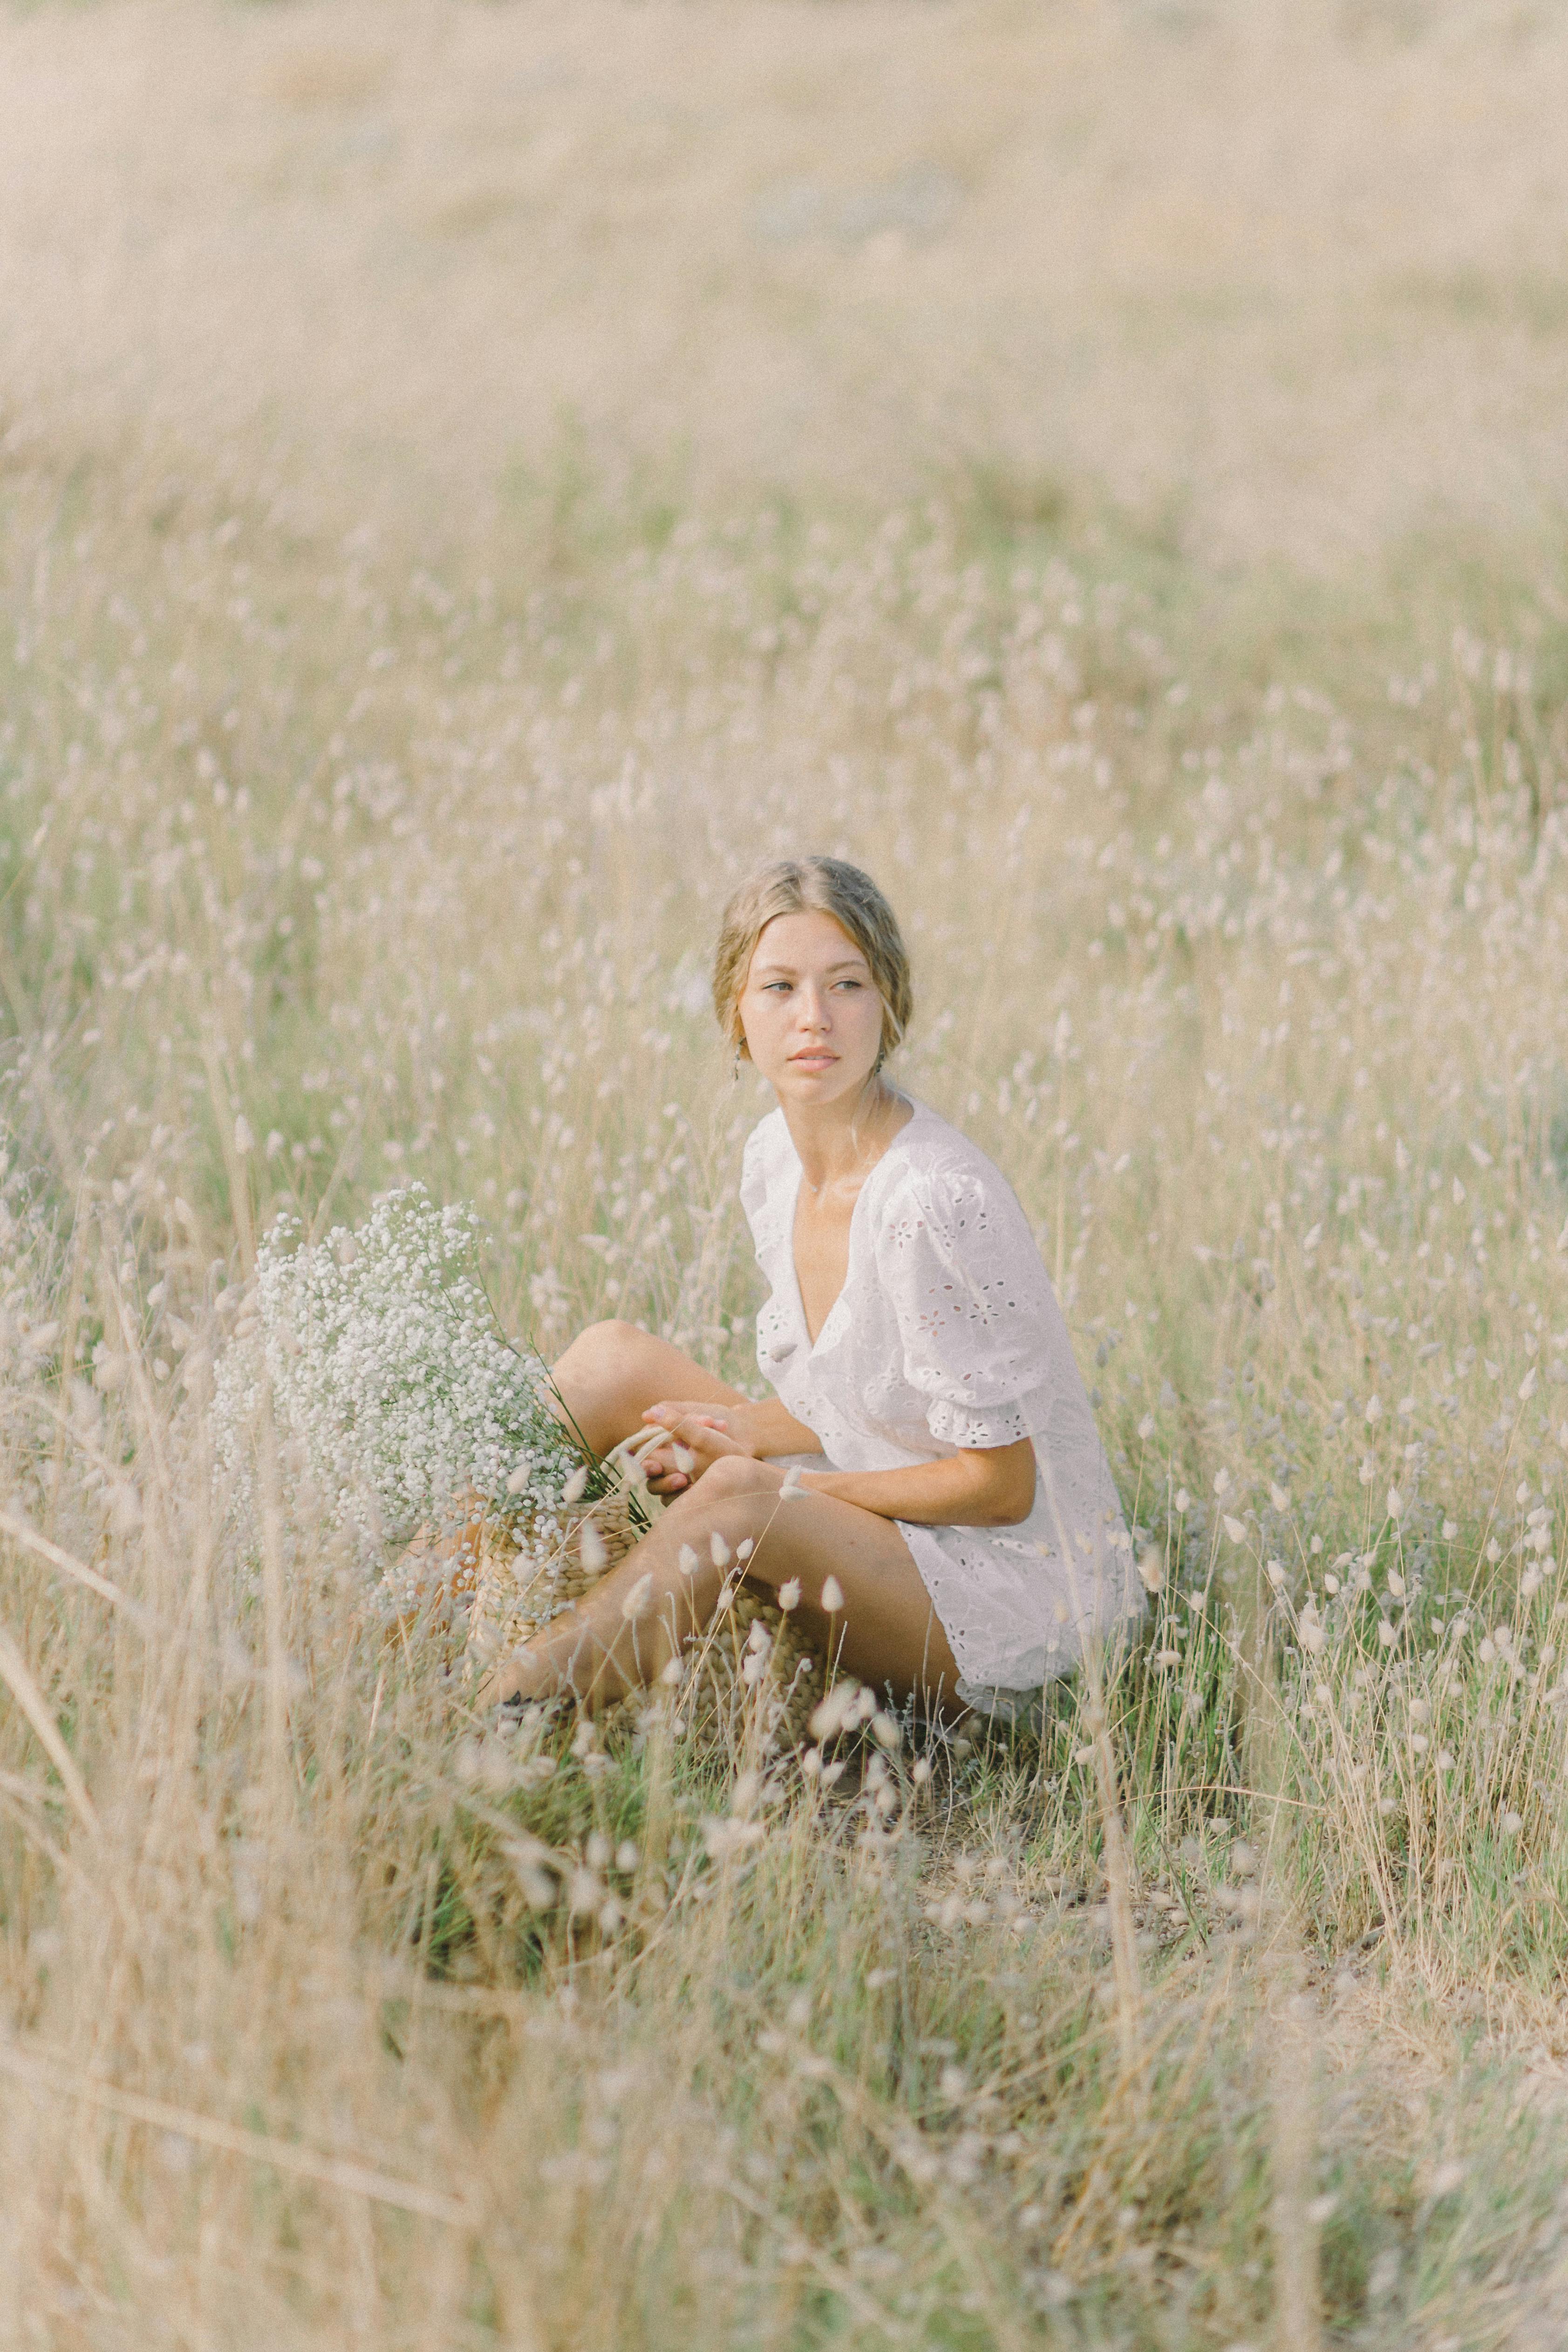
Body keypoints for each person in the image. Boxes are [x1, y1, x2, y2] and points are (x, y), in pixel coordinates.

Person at [483, 856, 1139, 1718]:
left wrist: (781, 1487)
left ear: (889, 1004)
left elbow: (999, 1485)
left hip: (1013, 1600)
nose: (814, 1019)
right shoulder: (773, 1160)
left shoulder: (931, 1199)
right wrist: (743, 1428)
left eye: (847, 984)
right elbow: (870, 1392)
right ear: (735, 1014)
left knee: (733, 1506)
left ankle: (498, 1709)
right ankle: (412, 1613)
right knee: (609, 1360)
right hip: (880, 1506)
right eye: (780, 987)